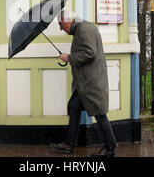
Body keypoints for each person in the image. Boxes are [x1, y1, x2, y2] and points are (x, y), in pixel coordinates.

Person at [50, 10, 117, 157]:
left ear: (68, 21)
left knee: (99, 114)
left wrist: (69, 57)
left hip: (90, 82)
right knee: (74, 107)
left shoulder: (83, 29)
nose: (61, 29)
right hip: (86, 82)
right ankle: (69, 144)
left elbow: (90, 52)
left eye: (61, 25)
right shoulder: (82, 28)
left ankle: (110, 148)